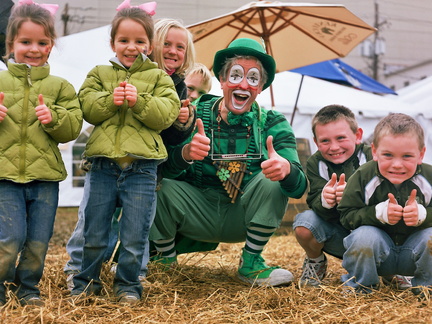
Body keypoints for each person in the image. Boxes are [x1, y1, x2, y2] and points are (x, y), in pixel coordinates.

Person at [149, 38, 307, 287]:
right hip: (196, 213)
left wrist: (286, 170)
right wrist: (186, 153)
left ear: (261, 86)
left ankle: (251, 264)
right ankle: (164, 264)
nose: (244, 84)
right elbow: (162, 168)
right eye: (235, 75)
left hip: (242, 216)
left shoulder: (274, 123)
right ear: (221, 81)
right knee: (156, 184)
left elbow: (299, 187)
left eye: (253, 78)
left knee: (273, 182)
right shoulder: (192, 112)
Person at [64, 14, 197, 287]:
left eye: (180, 47)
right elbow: (87, 106)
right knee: (93, 223)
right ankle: (80, 272)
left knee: (136, 227)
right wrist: (111, 100)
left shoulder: (170, 83)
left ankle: (131, 278)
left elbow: (167, 125)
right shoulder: (103, 73)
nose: (131, 46)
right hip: (105, 161)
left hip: (143, 164)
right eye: (124, 40)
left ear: (147, 45)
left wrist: (179, 122)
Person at [0, 1, 82, 307]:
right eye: (25, 42)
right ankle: (1, 283)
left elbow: (72, 128)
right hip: (5, 176)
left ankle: (28, 288)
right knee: (9, 240)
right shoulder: (0, 83)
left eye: (42, 43)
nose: (33, 49)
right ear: (11, 44)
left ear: (51, 46)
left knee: (37, 242)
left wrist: (54, 118)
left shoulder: (61, 87)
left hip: (45, 179)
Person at [338, 113, 432, 296]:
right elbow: (346, 215)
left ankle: (426, 290)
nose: (397, 164)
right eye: (388, 155)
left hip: (413, 255)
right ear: (374, 152)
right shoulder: (363, 176)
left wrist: (424, 215)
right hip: (379, 256)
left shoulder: (429, 177)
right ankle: (361, 288)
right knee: (363, 236)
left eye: (407, 156)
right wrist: (377, 214)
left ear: (421, 154)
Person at [292, 105, 373, 287]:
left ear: (357, 135)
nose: (334, 147)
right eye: (325, 141)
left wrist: (354, 195)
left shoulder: (372, 157)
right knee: (304, 223)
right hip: (340, 234)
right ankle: (315, 261)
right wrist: (325, 200)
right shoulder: (315, 163)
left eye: (341, 138)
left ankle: (391, 268)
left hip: (372, 235)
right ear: (315, 141)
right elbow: (313, 200)